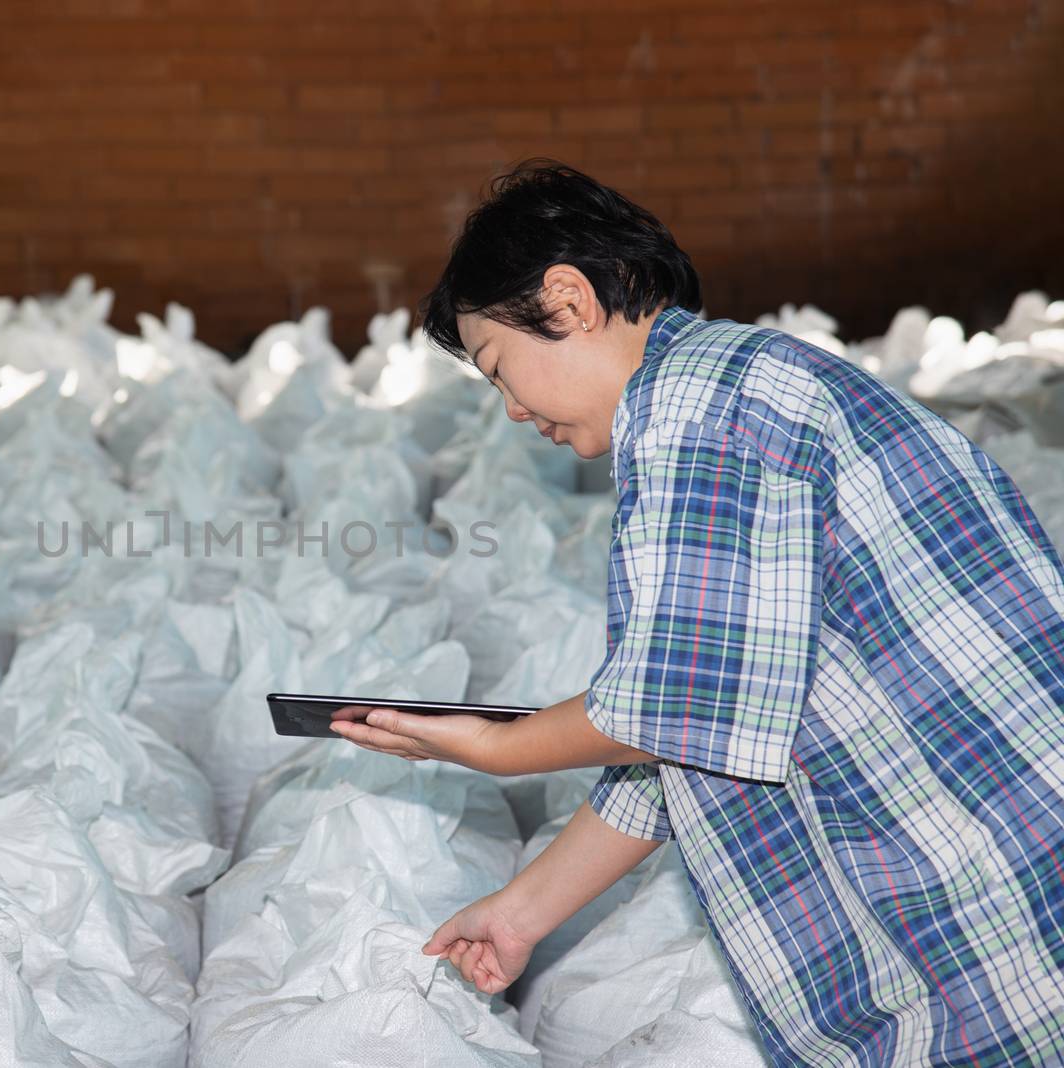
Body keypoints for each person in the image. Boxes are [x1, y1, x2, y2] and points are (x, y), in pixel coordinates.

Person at [329, 159, 1064, 1066]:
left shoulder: (699, 407)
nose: (514, 410)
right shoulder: (724, 387)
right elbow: (686, 739)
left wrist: (491, 748)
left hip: (985, 879)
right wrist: (521, 914)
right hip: (991, 855)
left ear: (566, 300)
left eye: (500, 370)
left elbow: (684, 702)